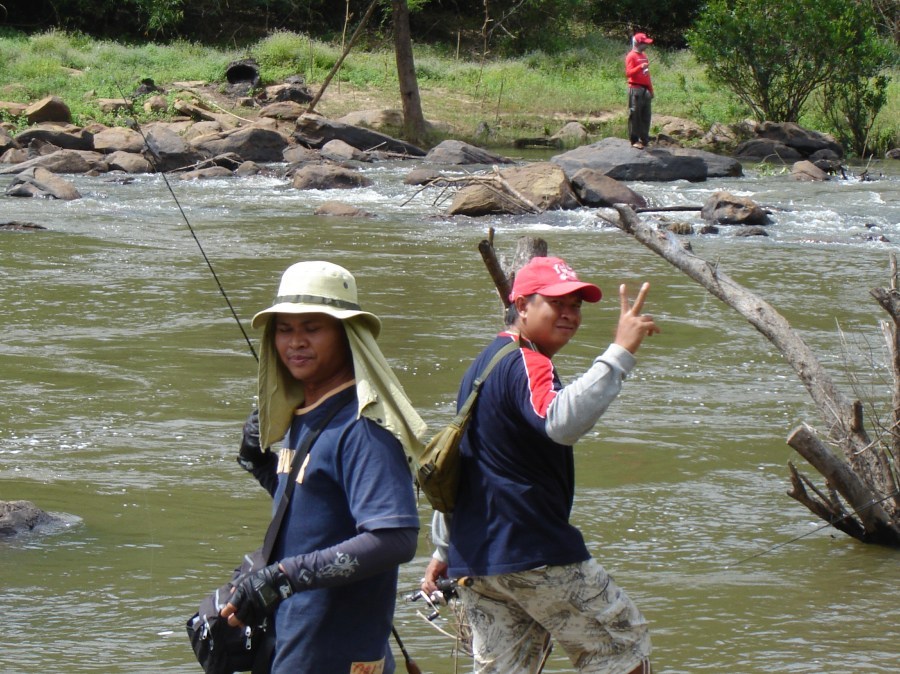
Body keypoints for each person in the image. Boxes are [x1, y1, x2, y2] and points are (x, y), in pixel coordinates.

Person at [421, 256, 659, 674]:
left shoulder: (483, 365)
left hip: (478, 563)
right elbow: (559, 421)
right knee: (622, 650)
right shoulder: (529, 362)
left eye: (576, 305)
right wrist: (620, 351)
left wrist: (444, 549)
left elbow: (464, 463)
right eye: (556, 302)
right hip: (533, 553)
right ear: (522, 305)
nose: (569, 314)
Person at [223, 260, 427, 674]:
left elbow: (396, 538)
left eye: (312, 328)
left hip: (336, 653)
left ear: (346, 335)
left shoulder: (362, 429)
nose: (295, 342)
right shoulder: (307, 414)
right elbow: (313, 504)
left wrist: (282, 577)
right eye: (285, 329)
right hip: (294, 643)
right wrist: (257, 459)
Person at [625, 32, 654, 150]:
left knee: (646, 115)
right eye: (644, 43)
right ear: (638, 43)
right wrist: (639, 67)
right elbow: (628, 73)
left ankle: (645, 138)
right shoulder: (631, 56)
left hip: (645, 89)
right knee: (635, 115)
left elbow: (647, 75)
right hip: (635, 88)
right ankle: (634, 140)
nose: (646, 45)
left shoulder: (644, 56)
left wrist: (651, 89)